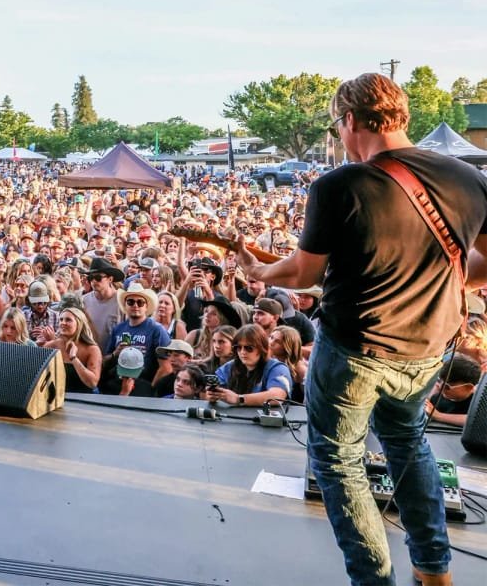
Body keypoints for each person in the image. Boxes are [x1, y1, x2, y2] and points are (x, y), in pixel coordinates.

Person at [235, 72, 487, 586]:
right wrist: (445, 279)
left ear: (350, 121)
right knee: (408, 442)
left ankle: (374, 581)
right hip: (428, 347)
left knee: (338, 458)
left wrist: (260, 272)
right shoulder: (468, 178)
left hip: (357, 349)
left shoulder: (340, 184)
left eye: (336, 127)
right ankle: (434, 569)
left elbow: (304, 276)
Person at [204, 325, 291, 408]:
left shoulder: (277, 368)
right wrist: (213, 395)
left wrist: (239, 399)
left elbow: (277, 396)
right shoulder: (229, 367)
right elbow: (216, 392)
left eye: (249, 348)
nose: (242, 352)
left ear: (262, 349)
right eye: (238, 347)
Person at [41, 306, 100, 393]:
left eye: (68, 320)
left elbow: (92, 383)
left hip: (84, 398)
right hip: (55, 397)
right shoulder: (50, 346)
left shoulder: (92, 349)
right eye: (61, 319)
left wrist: (74, 358)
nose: (63, 323)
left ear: (79, 324)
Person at [424, 353, 481, 428]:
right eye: (439, 381)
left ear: (468, 387)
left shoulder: (477, 403)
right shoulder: (437, 398)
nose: (440, 387)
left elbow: (477, 421)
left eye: (446, 386)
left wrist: (438, 416)